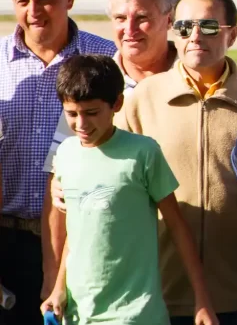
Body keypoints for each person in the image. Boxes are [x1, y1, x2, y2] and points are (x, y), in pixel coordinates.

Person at [113, 0, 237, 325]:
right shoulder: (141, 99)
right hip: (160, 290)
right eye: (184, 27)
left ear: (233, 34)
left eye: (209, 26)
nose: (195, 36)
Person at [42, 54, 217, 325]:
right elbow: (76, 233)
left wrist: (203, 299)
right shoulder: (64, 154)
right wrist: (58, 289)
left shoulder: (143, 152)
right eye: (72, 114)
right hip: (78, 315)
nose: (81, 125)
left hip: (136, 314)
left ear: (117, 104)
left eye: (92, 113)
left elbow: (178, 226)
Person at [42, 0, 179, 283]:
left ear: (169, 19)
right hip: (110, 277)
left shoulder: (194, 80)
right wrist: (52, 277)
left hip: (181, 271)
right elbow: (57, 187)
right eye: (120, 18)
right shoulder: (90, 85)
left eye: (142, 17)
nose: (129, 29)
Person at [0, 0, 115, 323]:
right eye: (22, 0)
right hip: (6, 239)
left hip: (81, 241)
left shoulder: (107, 58)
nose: (34, 10)